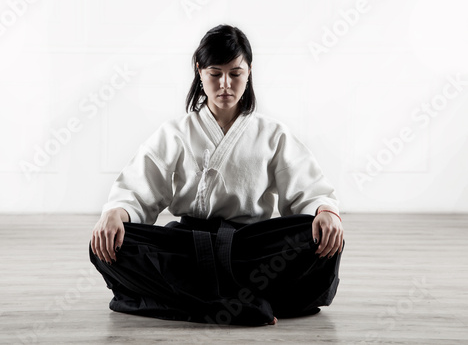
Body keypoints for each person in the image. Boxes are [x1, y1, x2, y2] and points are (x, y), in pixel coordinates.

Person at [89, 24, 344, 326]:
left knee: (321, 237)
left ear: (249, 73)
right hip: (186, 248)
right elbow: (137, 188)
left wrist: (324, 211)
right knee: (107, 245)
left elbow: (309, 189)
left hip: (251, 248)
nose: (225, 84)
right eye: (215, 73)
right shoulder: (175, 133)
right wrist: (116, 212)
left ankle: (185, 303)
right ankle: (243, 305)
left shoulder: (272, 134)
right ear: (199, 72)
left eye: (235, 73)